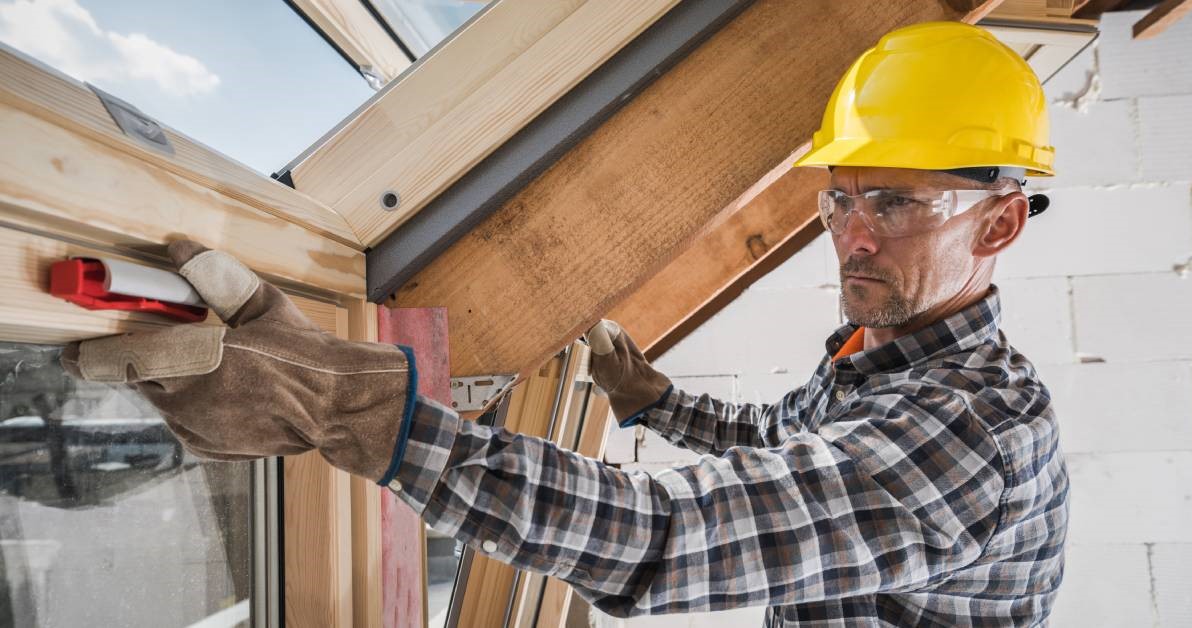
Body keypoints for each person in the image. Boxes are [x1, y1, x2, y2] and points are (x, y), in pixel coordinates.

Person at [63, 21, 1068, 627]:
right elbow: (787, 443)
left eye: (891, 203)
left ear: (1000, 220)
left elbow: (674, 536)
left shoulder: (976, 436)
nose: (851, 237)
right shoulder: (879, 358)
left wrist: (360, 409)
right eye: (838, 201)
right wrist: (657, 402)